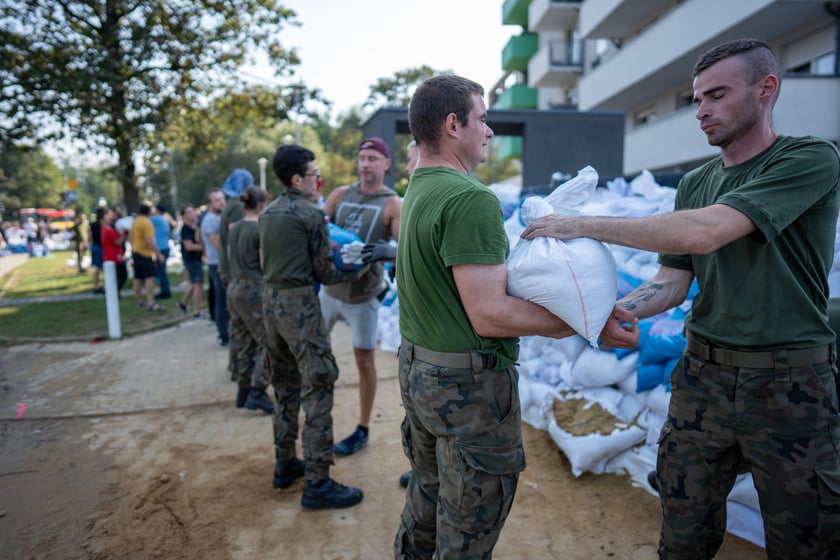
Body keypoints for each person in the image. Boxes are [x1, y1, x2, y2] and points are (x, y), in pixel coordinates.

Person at [521, 39, 840, 559]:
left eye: (717, 95)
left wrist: (578, 226)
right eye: (696, 100)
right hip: (704, 377)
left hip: (788, 385)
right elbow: (672, 281)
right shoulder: (696, 182)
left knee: (807, 538)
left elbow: (707, 233)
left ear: (766, 90)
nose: (702, 111)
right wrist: (615, 312)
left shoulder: (808, 158)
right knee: (682, 530)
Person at [394, 74, 638, 558]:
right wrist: (578, 321)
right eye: (482, 119)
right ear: (452, 124)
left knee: (427, 496)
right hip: (467, 392)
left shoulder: (417, 189)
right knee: (467, 524)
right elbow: (490, 315)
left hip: (419, 371)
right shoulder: (470, 198)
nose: (489, 131)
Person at [259, 144, 367, 509]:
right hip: (300, 307)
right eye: (313, 174)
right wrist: (359, 264)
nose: (318, 180)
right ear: (297, 179)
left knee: (285, 387)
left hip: (271, 305)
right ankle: (318, 482)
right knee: (319, 383)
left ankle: (285, 463)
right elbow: (325, 271)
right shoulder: (309, 215)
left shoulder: (269, 212)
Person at [320, 136, 403, 457]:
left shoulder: (392, 203)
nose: (365, 164)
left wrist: (378, 252)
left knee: (364, 361)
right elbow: (317, 229)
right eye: (362, 158)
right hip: (330, 291)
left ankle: (363, 428)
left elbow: (403, 252)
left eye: (372, 158)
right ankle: (315, 411)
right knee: (313, 349)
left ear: (386, 164)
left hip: (363, 297)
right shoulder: (341, 194)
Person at [226, 186, 274, 414]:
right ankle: (258, 390)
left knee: (244, 339)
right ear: (263, 204)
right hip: (253, 288)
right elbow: (264, 264)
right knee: (269, 340)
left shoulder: (234, 228)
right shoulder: (260, 229)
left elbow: (228, 255)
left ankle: (243, 389)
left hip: (234, 286)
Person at [220, 169, 251, 381]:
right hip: (236, 272)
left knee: (236, 322)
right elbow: (236, 240)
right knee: (244, 325)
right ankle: (242, 369)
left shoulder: (228, 206)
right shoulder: (239, 209)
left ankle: (235, 366)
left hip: (228, 269)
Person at [200, 189, 228, 345]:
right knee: (221, 300)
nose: (222, 202)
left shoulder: (218, 217)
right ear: (209, 203)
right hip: (217, 264)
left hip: (217, 263)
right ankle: (224, 334)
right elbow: (218, 245)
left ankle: (224, 332)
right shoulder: (211, 220)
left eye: (222, 199)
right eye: (217, 200)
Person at [128, 202, 166, 311]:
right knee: (150, 277)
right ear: (149, 212)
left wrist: (134, 246)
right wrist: (158, 254)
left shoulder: (135, 222)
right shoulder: (147, 223)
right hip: (145, 253)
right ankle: (151, 302)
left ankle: (138, 300)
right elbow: (150, 240)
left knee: (138, 277)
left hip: (135, 251)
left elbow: (130, 238)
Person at [177, 203, 204, 318]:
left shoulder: (192, 227)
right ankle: (196, 311)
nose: (192, 214)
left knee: (194, 284)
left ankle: (183, 303)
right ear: (183, 215)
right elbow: (189, 246)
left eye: (192, 211)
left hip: (194, 259)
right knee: (197, 284)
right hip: (191, 259)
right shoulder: (186, 229)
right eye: (188, 212)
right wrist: (204, 247)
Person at [100, 207, 127, 296]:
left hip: (110, 255)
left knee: (115, 275)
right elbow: (118, 242)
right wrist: (124, 234)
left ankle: (113, 292)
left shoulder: (105, 229)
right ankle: (114, 292)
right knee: (122, 274)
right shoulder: (108, 230)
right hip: (113, 256)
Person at [150, 203, 175, 300]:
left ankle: (165, 292)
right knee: (162, 270)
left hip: (161, 248)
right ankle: (165, 291)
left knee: (162, 271)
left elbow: (145, 219)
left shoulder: (156, 219)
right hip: (165, 246)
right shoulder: (165, 219)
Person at [90, 208, 105, 293]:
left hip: (95, 246)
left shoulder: (92, 225)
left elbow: (91, 236)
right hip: (100, 247)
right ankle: (98, 286)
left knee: (97, 267)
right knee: (100, 268)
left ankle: (96, 286)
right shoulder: (101, 226)